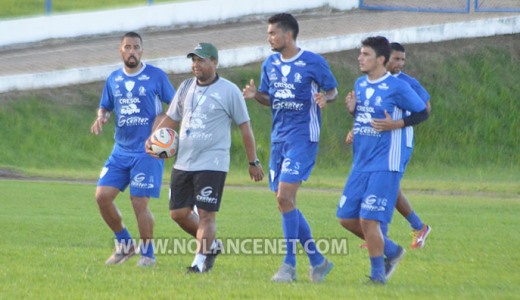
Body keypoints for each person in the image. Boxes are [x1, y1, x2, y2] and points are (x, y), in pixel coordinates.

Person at [146, 42, 264, 273]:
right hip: (184, 161)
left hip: (213, 162)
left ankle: (198, 264)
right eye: (193, 60)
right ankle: (211, 245)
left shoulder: (229, 91)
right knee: (178, 213)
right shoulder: (186, 87)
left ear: (214, 62)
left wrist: (253, 162)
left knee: (207, 214)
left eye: (201, 60)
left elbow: (245, 128)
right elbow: (172, 118)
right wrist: (153, 139)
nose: (195, 64)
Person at [242, 13, 338, 283]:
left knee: (285, 198)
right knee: (286, 202)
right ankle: (318, 261)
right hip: (278, 140)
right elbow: (269, 98)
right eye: (269, 33)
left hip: (303, 138)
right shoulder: (269, 64)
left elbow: (333, 91)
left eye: (273, 33)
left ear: (288, 35)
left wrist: (324, 98)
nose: (269, 37)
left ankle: (288, 266)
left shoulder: (313, 62)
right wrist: (254, 96)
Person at [337, 36, 428, 284]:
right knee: (346, 218)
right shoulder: (360, 83)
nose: (360, 58)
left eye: (365, 54)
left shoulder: (397, 86)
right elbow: (367, 115)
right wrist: (354, 113)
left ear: (380, 59)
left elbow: (422, 111)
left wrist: (396, 124)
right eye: (360, 53)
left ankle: (377, 276)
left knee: (369, 219)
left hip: (385, 163)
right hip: (361, 162)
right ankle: (391, 250)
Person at [90, 31, 176, 267]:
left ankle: (148, 255)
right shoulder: (113, 79)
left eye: (136, 47)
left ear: (142, 50)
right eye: (127, 47)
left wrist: (162, 126)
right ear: (121, 51)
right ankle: (125, 244)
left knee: (139, 202)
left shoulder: (156, 76)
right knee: (102, 197)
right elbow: (105, 107)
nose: (132, 51)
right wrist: (102, 117)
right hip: (121, 150)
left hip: (147, 151)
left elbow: (176, 105)